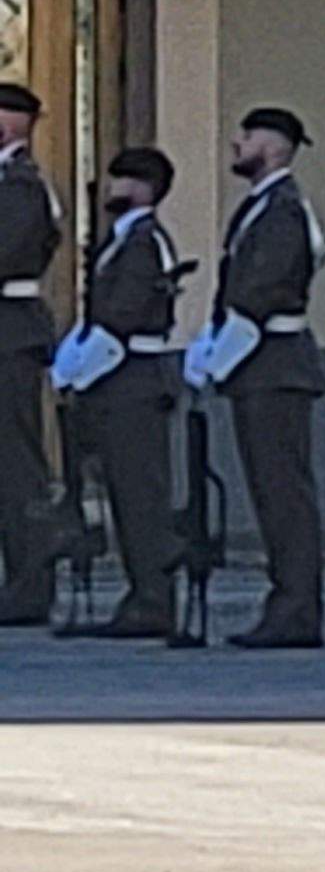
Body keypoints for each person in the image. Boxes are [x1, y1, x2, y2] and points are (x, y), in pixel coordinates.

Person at [207, 106, 325, 648]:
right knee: (271, 491)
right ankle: (287, 603)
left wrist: (221, 352)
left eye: (249, 135)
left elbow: (266, 287)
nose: (238, 142)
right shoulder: (262, 206)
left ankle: (297, 608)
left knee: (284, 493)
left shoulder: (282, 210)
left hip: (275, 363)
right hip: (260, 363)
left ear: (276, 146)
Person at [53, 147, 179, 639]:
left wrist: (79, 370)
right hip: (116, 377)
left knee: (140, 494)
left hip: (132, 379)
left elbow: (124, 312)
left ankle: (153, 597)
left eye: (123, 180)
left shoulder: (144, 242)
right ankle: (142, 593)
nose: (112, 189)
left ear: (145, 188)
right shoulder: (123, 240)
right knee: (125, 494)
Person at [0, 83, 53, 627]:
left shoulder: (20, 185)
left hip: (10, 332)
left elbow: (7, 249)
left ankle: (29, 584)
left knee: (16, 465)